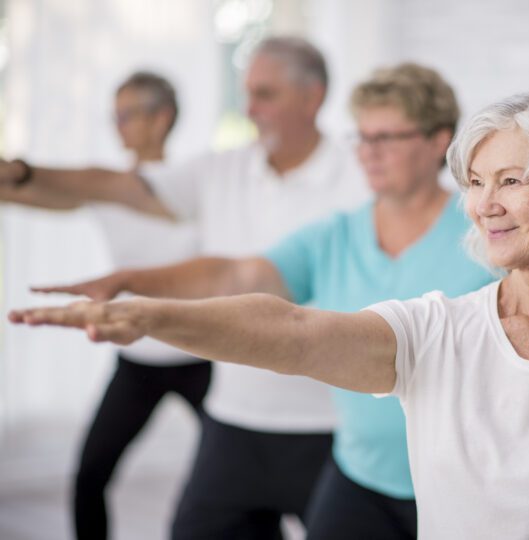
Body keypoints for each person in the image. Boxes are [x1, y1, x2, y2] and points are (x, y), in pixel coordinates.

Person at [10, 85, 529, 540]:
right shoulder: (436, 331)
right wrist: (155, 315)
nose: (486, 204)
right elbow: (291, 329)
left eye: (513, 180)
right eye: (478, 181)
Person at [28, 63, 495, 539]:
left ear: (439, 141)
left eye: (387, 138)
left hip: (458, 483)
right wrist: (130, 284)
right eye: (363, 138)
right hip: (361, 476)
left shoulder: (484, 235)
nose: (369, 154)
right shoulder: (336, 234)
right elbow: (238, 273)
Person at [2, 37, 367, 538]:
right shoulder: (221, 169)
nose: (250, 108)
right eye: (247, 93)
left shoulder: (362, 173)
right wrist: (23, 173)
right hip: (234, 420)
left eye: (265, 94)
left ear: (312, 97)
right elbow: (115, 186)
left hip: (330, 425)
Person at [0, 70, 209, 540]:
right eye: (114, 115)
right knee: (90, 476)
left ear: (163, 118)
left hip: (202, 357)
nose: (118, 125)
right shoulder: (103, 188)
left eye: (128, 114)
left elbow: (104, 183)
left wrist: (21, 171)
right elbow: (26, 191)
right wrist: (14, 176)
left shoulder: (194, 183)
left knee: (239, 477)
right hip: (138, 357)